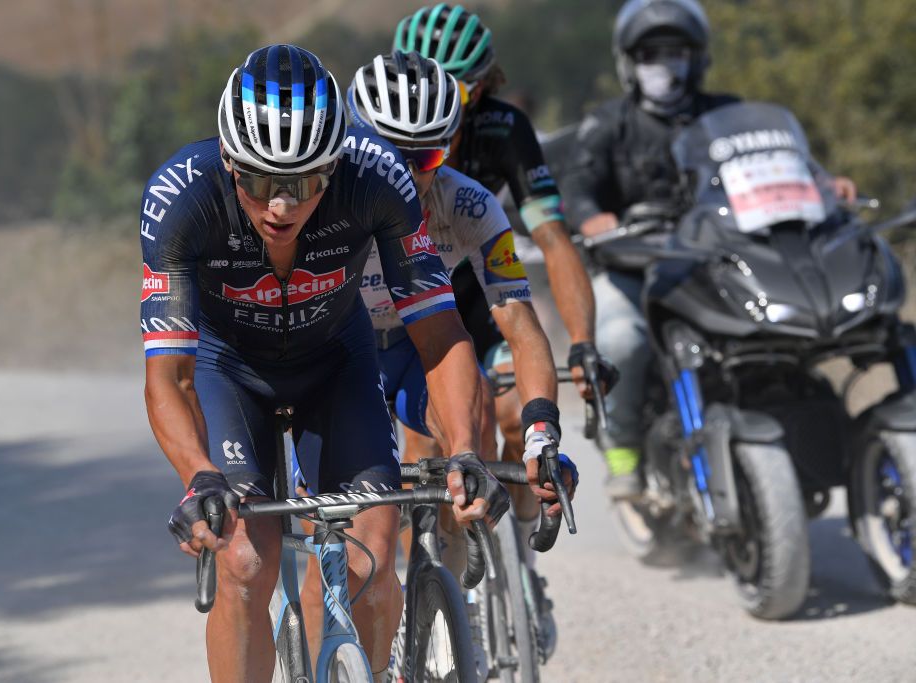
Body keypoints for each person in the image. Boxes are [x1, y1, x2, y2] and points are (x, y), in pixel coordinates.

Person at [144, 44, 508, 681]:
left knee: (370, 560)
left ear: (334, 167)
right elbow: (169, 375)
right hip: (228, 370)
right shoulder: (181, 196)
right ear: (229, 163)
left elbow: (439, 331)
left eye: (306, 184)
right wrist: (201, 477)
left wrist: (466, 452)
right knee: (245, 564)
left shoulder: (377, 179)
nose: (280, 206)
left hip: (337, 362)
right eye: (260, 183)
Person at [559, 0, 857, 499]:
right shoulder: (608, 123)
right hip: (634, 266)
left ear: (696, 57)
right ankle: (623, 453)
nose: (664, 65)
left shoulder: (728, 112)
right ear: (629, 60)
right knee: (622, 341)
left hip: (716, 262)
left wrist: (823, 182)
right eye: (651, 54)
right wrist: (590, 216)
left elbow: (780, 160)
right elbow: (575, 186)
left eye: (675, 52)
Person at [347, 50, 574, 562]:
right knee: (357, 547)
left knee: (473, 440)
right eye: (387, 151)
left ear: (448, 148)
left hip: (411, 345)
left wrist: (542, 429)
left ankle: (452, 590)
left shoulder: (472, 206)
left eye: (423, 157)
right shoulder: (323, 202)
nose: (404, 173)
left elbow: (521, 325)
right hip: (340, 352)